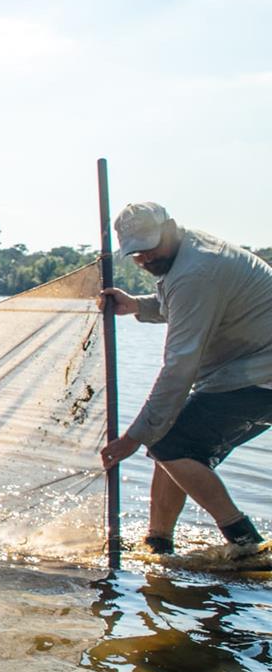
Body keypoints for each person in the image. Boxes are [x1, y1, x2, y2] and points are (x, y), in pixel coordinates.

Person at [98, 202, 272, 556]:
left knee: (168, 443)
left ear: (172, 227)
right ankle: (158, 542)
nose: (145, 259)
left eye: (150, 246)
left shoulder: (198, 271)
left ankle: (247, 544)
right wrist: (137, 305)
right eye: (136, 253)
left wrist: (133, 437)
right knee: (172, 441)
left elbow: (179, 368)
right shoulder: (187, 254)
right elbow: (181, 301)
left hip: (261, 375)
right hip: (241, 371)